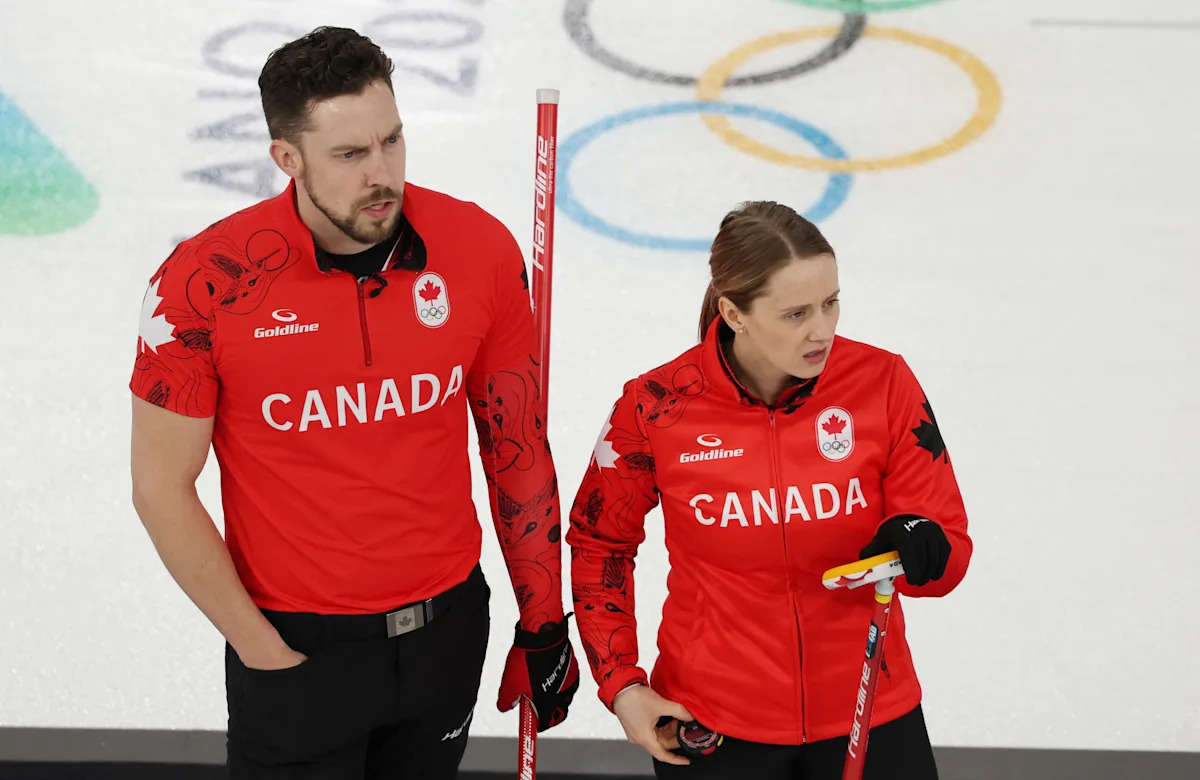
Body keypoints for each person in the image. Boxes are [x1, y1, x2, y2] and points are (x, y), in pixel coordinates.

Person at [129, 26, 578, 779]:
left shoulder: (479, 250)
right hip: (297, 652)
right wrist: (257, 645)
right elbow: (160, 489)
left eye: (392, 141)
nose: (383, 174)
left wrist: (544, 622)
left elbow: (517, 448)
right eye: (350, 155)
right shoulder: (201, 286)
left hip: (447, 635)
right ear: (287, 157)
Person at [566, 201, 972, 779]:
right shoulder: (655, 406)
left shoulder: (884, 383)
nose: (822, 330)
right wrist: (621, 684)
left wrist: (921, 544)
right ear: (734, 313)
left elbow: (948, 551)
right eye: (796, 313)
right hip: (715, 727)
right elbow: (598, 544)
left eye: (831, 303)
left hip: (869, 711)